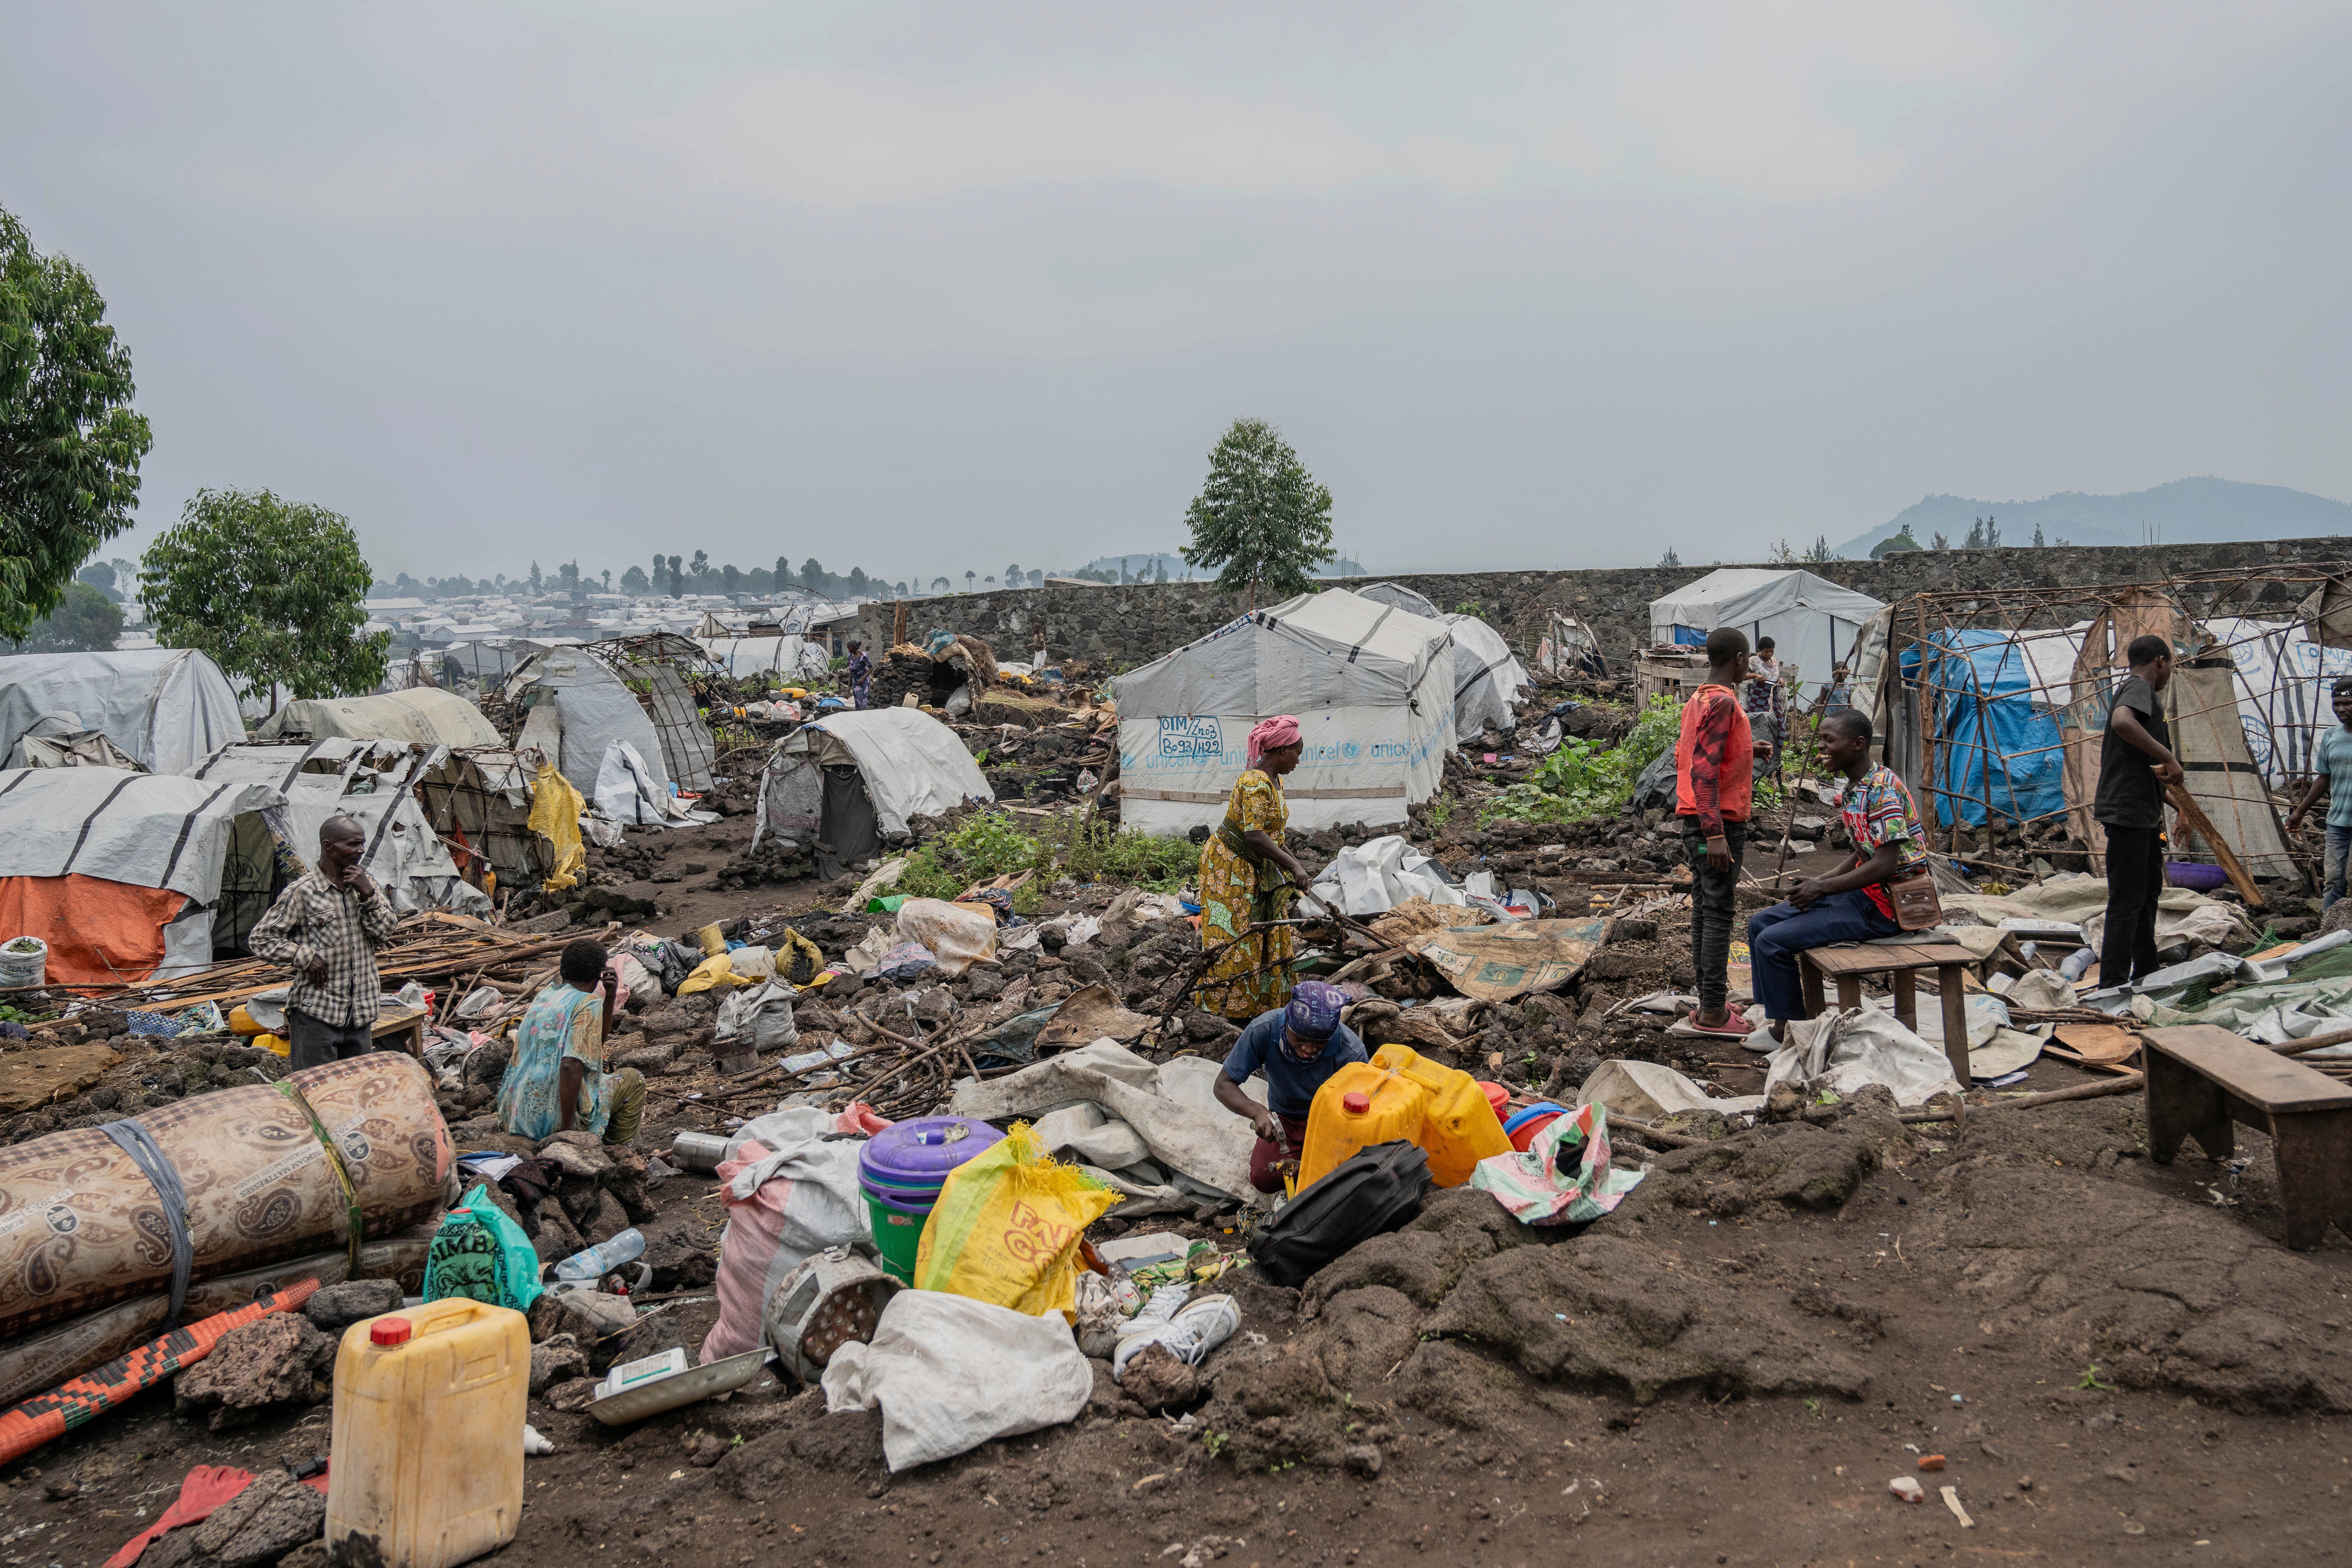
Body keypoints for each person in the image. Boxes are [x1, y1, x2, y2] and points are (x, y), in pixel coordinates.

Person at [1745, 709, 1928, 1037]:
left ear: (1858, 744)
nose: (1821, 749)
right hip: (1863, 897)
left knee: (1772, 942)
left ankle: (1789, 1032)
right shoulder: (1853, 791)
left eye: (1829, 741)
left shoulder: (1882, 791)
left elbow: (1885, 865)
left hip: (1888, 909)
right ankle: (1775, 1015)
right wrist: (1819, 882)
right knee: (1758, 923)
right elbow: (1861, 855)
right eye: (1820, 742)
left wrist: (1823, 889)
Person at [249, 815, 401, 1070]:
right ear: (329, 846)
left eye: (362, 844)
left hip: (360, 1013)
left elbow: (383, 934)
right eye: (353, 845)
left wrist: (369, 897)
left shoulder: (367, 885)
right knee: (316, 1091)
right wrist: (303, 956)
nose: (360, 851)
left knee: (355, 1091)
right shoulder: (303, 892)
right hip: (317, 1014)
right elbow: (261, 939)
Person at [1677, 628, 1771, 1038]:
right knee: (1718, 912)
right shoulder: (1722, 703)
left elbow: (1700, 752)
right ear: (1737, 658)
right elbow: (1703, 769)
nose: (1749, 664)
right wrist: (1714, 834)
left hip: (1698, 818)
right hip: (1716, 822)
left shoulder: (1699, 699)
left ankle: (1709, 999)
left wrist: (1751, 750)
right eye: (1747, 657)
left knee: (1704, 906)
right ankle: (1714, 1012)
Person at [1194, 715, 1311, 1019]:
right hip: (1229, 866)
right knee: (1235, 935)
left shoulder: (1274, 781)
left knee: (1263, 930)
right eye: (1297, 752)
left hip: (1253, 864)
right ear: (1281, 750)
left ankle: (1260, 1003)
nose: (1299, 759)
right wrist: (1294, 868)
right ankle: (1227, 1006)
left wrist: (1294, 865)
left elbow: (1271, 835)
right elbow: (1254, 836)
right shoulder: (1253, 783)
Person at [1210, 982, 1368, 1193]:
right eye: (1301, 1040)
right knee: (1263, 1178)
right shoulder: (1264, 1030)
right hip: (1285, 1122)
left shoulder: (1351, 1052)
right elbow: (1223, 1085)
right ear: (1288, 1025)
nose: (1308, 1050)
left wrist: (1315, 1165)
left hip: (1333, 1126)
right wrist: (1259, 1112)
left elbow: (1360, 1119)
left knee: (1344, 1179)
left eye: (1320, 1044)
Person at [2095, 633, 2184, 989]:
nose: (2169, 674)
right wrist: (2168, 756)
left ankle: (2146, 970)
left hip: (2141, 811)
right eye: (2170, 666)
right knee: (2126, 900)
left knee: (2147, 893)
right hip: (2127, 812)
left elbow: (2142, 770)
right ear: (2160, 661)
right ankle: (2111, 986)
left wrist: (2181, 807)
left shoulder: (2139, 694)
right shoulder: (2138, 688)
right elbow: (2121, 722)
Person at [497, 938, 645, 1144]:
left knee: (602, 1068)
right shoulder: (587, 1003)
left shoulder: (544, 996)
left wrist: (610, 999)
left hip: (516, 1115)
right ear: (599, 974)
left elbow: (593, 1044)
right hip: (553, 1122)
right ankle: (619, 1152)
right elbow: (570, 1065)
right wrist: (566, 1132)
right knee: (633, 1079)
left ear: (563, 968)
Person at [2286, 675, 2352, 909]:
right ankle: (2328, 929)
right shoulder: (2331, 736)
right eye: (2336, 704)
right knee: (2334, 879)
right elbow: (2323, 778)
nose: (2341, 709)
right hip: (2338, 822)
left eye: (2347, 703)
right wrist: (2299, 812)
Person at [1743, 635, 1786, 782]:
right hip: (1758, 699)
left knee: (1779, 727)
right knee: (1757, 728)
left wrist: (1781, 680)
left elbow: (1776, 677)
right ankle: (1755, 763)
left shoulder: (1774, 662)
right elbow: (1741, 676)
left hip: (1773, 699)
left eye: (1771, 652)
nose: (1769, 654)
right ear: (1760, 651)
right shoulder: (1754, 661)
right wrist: (1755, 675)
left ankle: (1774, 760)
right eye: (1767, 652)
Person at [845, 639, 872, 710]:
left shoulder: (863, 656)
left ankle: (865, 718)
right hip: (855, 682)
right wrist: (849, 686)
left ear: (854, 647)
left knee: (864, 701)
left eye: (850, 648)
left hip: (864, 682)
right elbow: (851, 671)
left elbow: (872, 667)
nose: (849, 649)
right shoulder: (850, 657)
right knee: (857, 702)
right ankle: (859, 717)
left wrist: (863, 678)